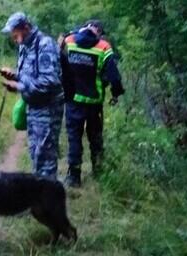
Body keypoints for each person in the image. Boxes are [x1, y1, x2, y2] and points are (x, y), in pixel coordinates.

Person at [60, 20, 124, 187]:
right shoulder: (104, 47)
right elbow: (114, 76)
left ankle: (74, 177)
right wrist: (116, 94)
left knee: (74, 137)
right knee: (95, 136)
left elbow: (58, 63)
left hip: (73, 99)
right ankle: (99, 171)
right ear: (99, 32)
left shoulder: (69, 41)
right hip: (94, 102)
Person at [0, 12, 64, 178]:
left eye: (14, 31)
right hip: (33, 107)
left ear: (25, 28)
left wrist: (20, 85)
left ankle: (50, 198)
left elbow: (49, 81)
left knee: (46, 156)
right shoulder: (23, 46)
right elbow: (27, 76)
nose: (12, 36)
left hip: (48, 109)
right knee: (36, 154)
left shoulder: (44, 44)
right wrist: (14, 77)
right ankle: (40, 196)